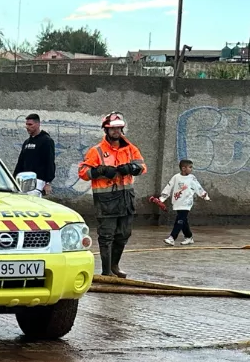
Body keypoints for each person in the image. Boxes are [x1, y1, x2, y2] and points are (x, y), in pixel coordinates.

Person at [78, 112, 145, 278]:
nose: (116, 131)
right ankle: (106, 271)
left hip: (126, 199)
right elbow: (83, 172)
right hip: (106, 201)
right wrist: (100, 170)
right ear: (106, 130)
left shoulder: (131, 149)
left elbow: (142, 167)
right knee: (106, 236)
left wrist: (131, 168)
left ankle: (115, 265)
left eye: (118, 128)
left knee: (124, 234)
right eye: (112, 128)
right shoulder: (96, 151)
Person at [160, 159, 210, 246]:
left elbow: (198, 187)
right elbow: (169, 187)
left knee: (179, 220)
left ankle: (172, 238)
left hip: (187, 203)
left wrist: (204, 196)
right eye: (190, 167)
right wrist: (162, 198)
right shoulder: (176, 177)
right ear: (183, 168)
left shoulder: (192, 178)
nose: (191, 169)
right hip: (177, 202)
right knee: (183, 220)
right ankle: (189, 237)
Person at [14, 113, 56, 197]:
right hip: (23, 182)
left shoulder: (46, 141)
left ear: (38, 124)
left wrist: (48, 182)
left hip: (38, 182)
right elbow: (20, 162)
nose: (27, 127)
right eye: (26, 124)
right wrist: (14, 179)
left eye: (30, 124)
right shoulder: (26, 142)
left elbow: (50, 161)